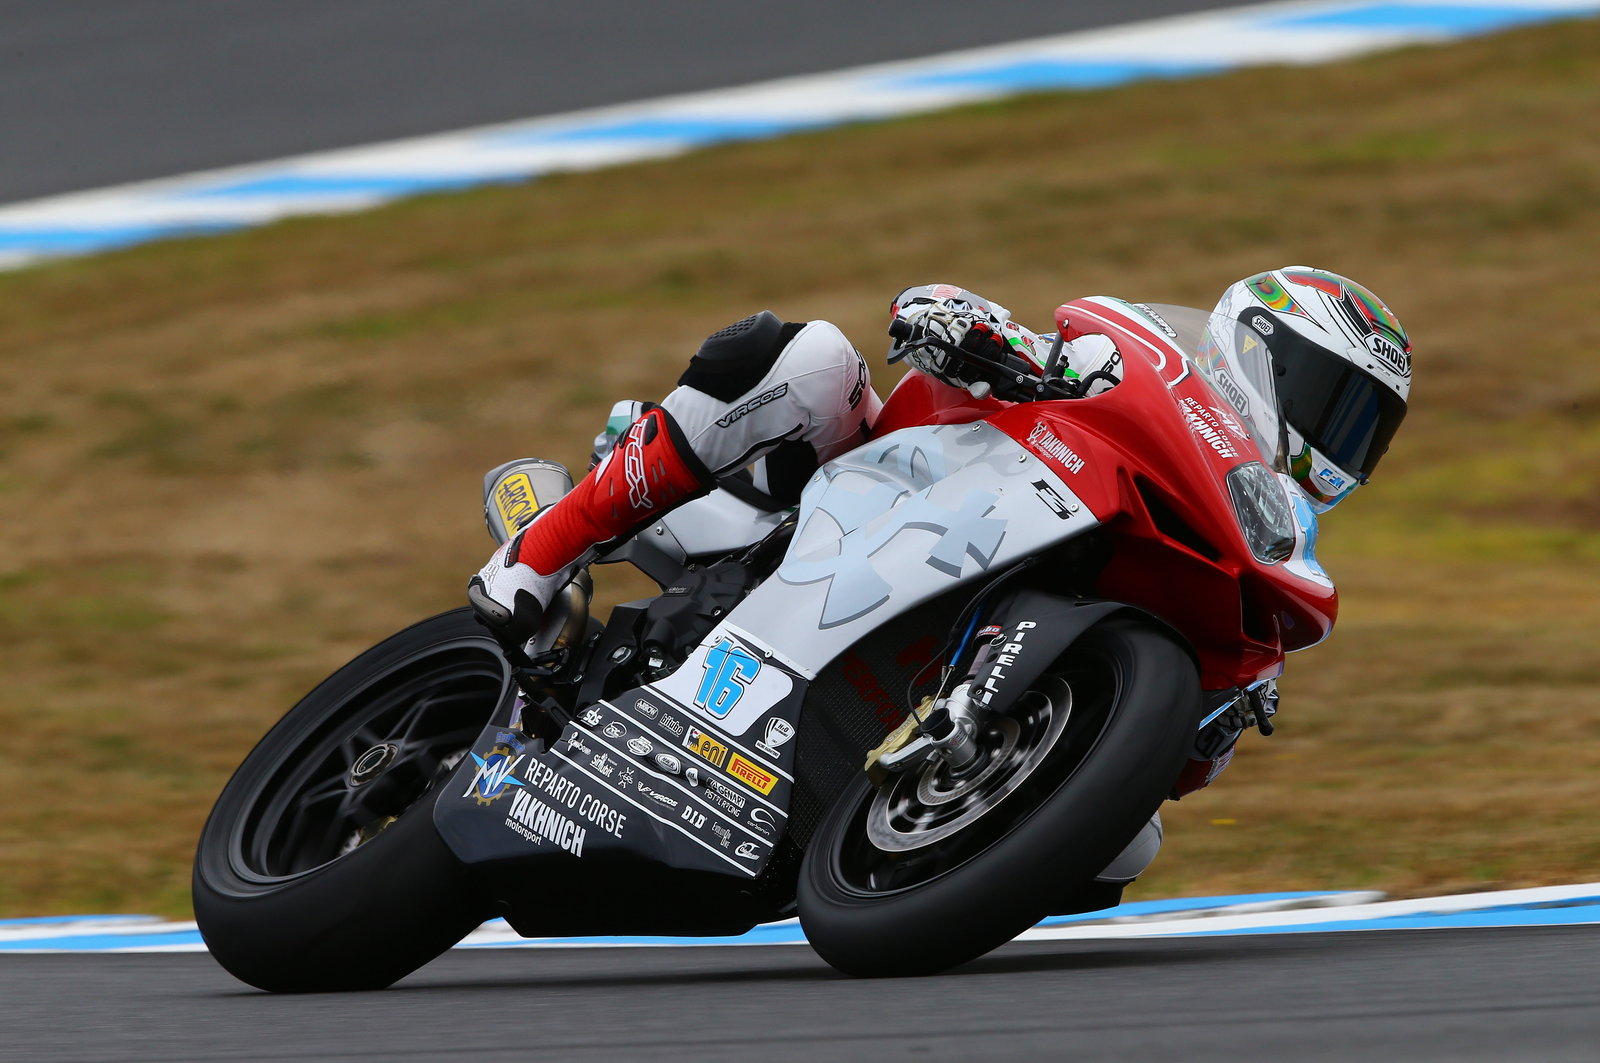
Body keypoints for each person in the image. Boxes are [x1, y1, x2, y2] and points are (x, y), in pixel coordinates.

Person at [469, 268, 1411, 648]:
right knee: (815, 357)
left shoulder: (1250, 535)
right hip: (867, 487)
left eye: (1361, 427)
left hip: (937, 611)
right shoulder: (1120, 369)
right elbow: (934, 311)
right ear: (1258, 349)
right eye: (1334, 401)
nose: (1336, 438)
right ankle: (545, 547)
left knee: (1127, 851)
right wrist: (970, 332)